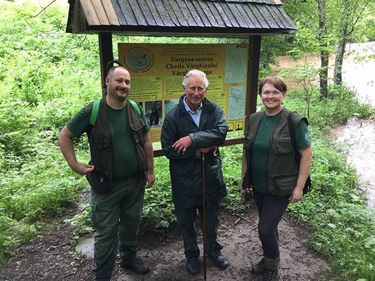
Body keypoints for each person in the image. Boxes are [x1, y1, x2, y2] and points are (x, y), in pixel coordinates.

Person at [59, 62, 155, 281]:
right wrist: (75, 165)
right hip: (106, 186)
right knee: (106, 233)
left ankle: (129, 258)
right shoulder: (93, 111)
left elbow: (147, 140)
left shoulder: (135, 108)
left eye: (127, 82)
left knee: (131, 224)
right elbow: (65, 136)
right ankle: (102, 275)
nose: (124, 85)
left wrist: (150, 170)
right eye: (119, 80)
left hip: (135, 182)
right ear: (108, 82)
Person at [242, 76, 312, 281]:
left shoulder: (294, 121)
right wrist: (245, 180)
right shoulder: (254, 119)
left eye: (275, 92)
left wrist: (299, 187)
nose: (270, 96)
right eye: (266, 92)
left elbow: (306, 155)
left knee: (264, 229)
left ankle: (272, 267)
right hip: (259, 186)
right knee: (269, 228)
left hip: (281, 188)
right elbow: (247, 151)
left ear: (283, 95)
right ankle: (269, 256)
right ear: (261, 95)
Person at [161, 69, 229, 275]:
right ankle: (191, 256)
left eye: (201, 88)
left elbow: (221, 133)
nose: (197, 92)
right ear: (184, 88)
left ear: (206, 89)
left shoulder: (213, 110)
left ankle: (213, 252)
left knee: (211, 221)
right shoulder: (173, 116)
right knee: (187, 224)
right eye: (193, 88)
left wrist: (192, 139)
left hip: (210, 178)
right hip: (184, 182)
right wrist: (199, 150)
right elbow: (168, 148)